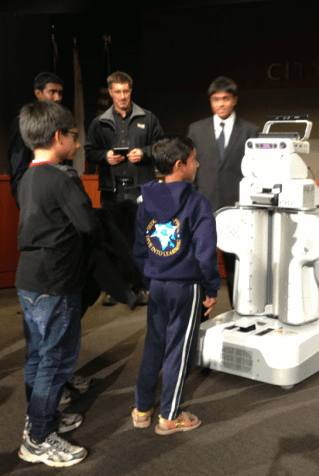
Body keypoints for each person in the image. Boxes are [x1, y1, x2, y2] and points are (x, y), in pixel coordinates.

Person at [15, 100, 95, 467]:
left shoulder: (27, 175)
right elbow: (88, 225)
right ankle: (39, 438)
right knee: (56, 361)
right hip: (57, 281)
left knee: (37, 355)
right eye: (74, 136)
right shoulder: (64, 178)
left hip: (29, 279)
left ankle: (39, 419)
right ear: (58, 136)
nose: (77, 143)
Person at [131, 136, 219, 434]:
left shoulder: (145, 200)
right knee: (179, 351)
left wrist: (150, 279)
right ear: (180, 165)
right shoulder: (197, 203)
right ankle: (170, 416)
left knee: (154, 345)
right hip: (186, 286)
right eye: (194, 160)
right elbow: (206, 253)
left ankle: (142, 408)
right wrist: (211, 289)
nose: (197, 164)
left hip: (157, 283)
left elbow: (139, 248)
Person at [84, 71, 164, 303]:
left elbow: (161, 146)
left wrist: (145, 153)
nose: (122, 96)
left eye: (126, 91)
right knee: (111, 241)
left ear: (131, 90)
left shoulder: (148, 118)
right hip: (112, 191)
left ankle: (141, 287)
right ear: (110, 92)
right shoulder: (99, 122)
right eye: (117, 92)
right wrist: (105, 157)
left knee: (143, 240)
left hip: (141, 190)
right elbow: (89, 151)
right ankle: (114, 289)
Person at [187, 76, 259, 306]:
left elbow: (256, 172)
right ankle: (198, 312)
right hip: (203, 206)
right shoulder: (196, 129)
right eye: (216, 99)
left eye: (226, 99)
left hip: (237, 208)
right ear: (210, 101)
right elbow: (190, 168)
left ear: (234, 100)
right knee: (200, 261)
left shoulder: (251, 131)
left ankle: (240, 311)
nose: (221, 104)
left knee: (236, 263)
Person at [8, 72, 64, 203]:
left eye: (60, 93)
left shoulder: (61, 123)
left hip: (58, 193)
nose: (57, 98)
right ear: (38, 93)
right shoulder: (22, 122)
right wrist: (25, 201)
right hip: (33, 195)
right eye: (52, 92)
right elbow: (17, 167)